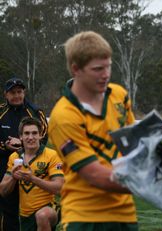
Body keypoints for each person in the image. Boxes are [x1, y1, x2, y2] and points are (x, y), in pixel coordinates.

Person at [48, 31, 138, 231]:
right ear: (76, 69)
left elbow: (135, 141)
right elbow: (94, 174)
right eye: (98, 69)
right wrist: (148, 183)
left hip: (125, 214)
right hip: (85, 218)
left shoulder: (119, 95)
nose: (106, 74)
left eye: (108, 66)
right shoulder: (63, 116)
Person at [0, 77, 48, 231]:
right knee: (7, 207)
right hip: (4, 164)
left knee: (34, 209)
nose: (17, 96)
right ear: (5, 94)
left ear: (24, 92)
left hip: (33, 165)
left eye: (19, 92)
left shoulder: (35, 112)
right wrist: (5, 146)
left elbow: (44, 137)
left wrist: (22, 145)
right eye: (12, 92)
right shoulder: (1, 111)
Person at [0, 117, 64, 231]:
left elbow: (59, 188)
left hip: (50, 208)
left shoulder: (52, 155)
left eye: (34, 133)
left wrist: (33, 179)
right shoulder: (14, 157)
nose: (31, 137)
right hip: (25, 214)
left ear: (40, 135)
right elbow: (3, 191)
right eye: (27, 133)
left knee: (42, 215)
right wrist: (13, 178)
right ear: (21, 136)